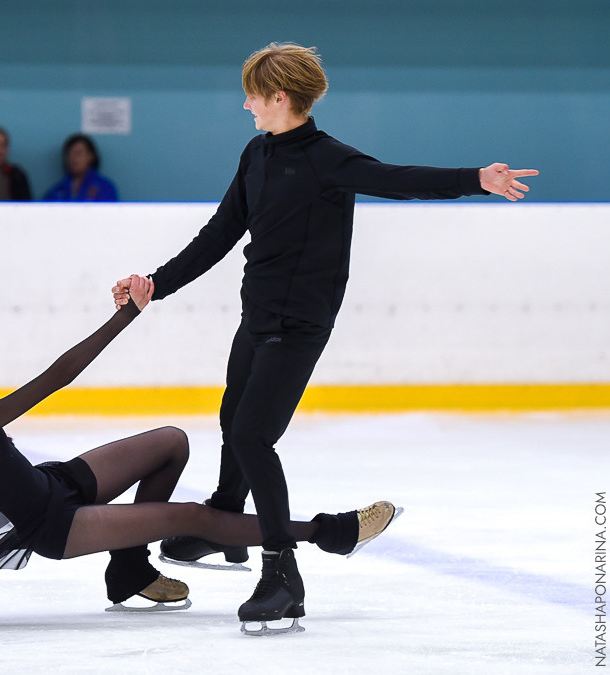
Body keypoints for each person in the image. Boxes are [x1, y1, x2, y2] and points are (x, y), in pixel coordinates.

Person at [112, 42, 538, 634]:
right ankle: (225, 522)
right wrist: (156, 284)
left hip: (299, 324)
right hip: (257, 315)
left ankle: (282, 575)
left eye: (252, 96)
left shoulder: (327, 159)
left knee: (253, 435)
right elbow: (221, 232)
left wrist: (477, 180)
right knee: (233, 417)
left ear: (280, 97)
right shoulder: (257, 153)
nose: (245, 105)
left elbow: (397, 180)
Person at [0, 274, 394, 626]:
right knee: (190, 516)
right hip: (59, 525)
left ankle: (129, 567)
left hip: (57, 484)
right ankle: (330, 532)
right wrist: (126, 315)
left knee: (171, 443)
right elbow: (56, 378)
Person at [43, 133, 118, 202]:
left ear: (91, 156)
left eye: (78, 153)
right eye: (69, 154)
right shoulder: (57, 190)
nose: (73, 158)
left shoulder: (104, 188)